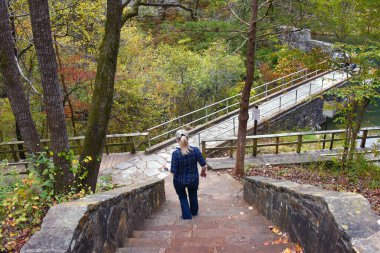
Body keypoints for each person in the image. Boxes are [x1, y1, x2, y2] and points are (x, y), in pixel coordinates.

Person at [170, 129, 207, 220]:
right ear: (188, 138)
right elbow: (204, 165)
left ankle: (187, 217)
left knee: (182, 197)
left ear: (177, 140)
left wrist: (169, 169)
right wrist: (202, 172)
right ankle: (194, 212)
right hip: (193, 179)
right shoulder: (195, 150)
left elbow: (173, 171)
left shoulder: (175, 154)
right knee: (193, 194)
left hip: (179, 181)